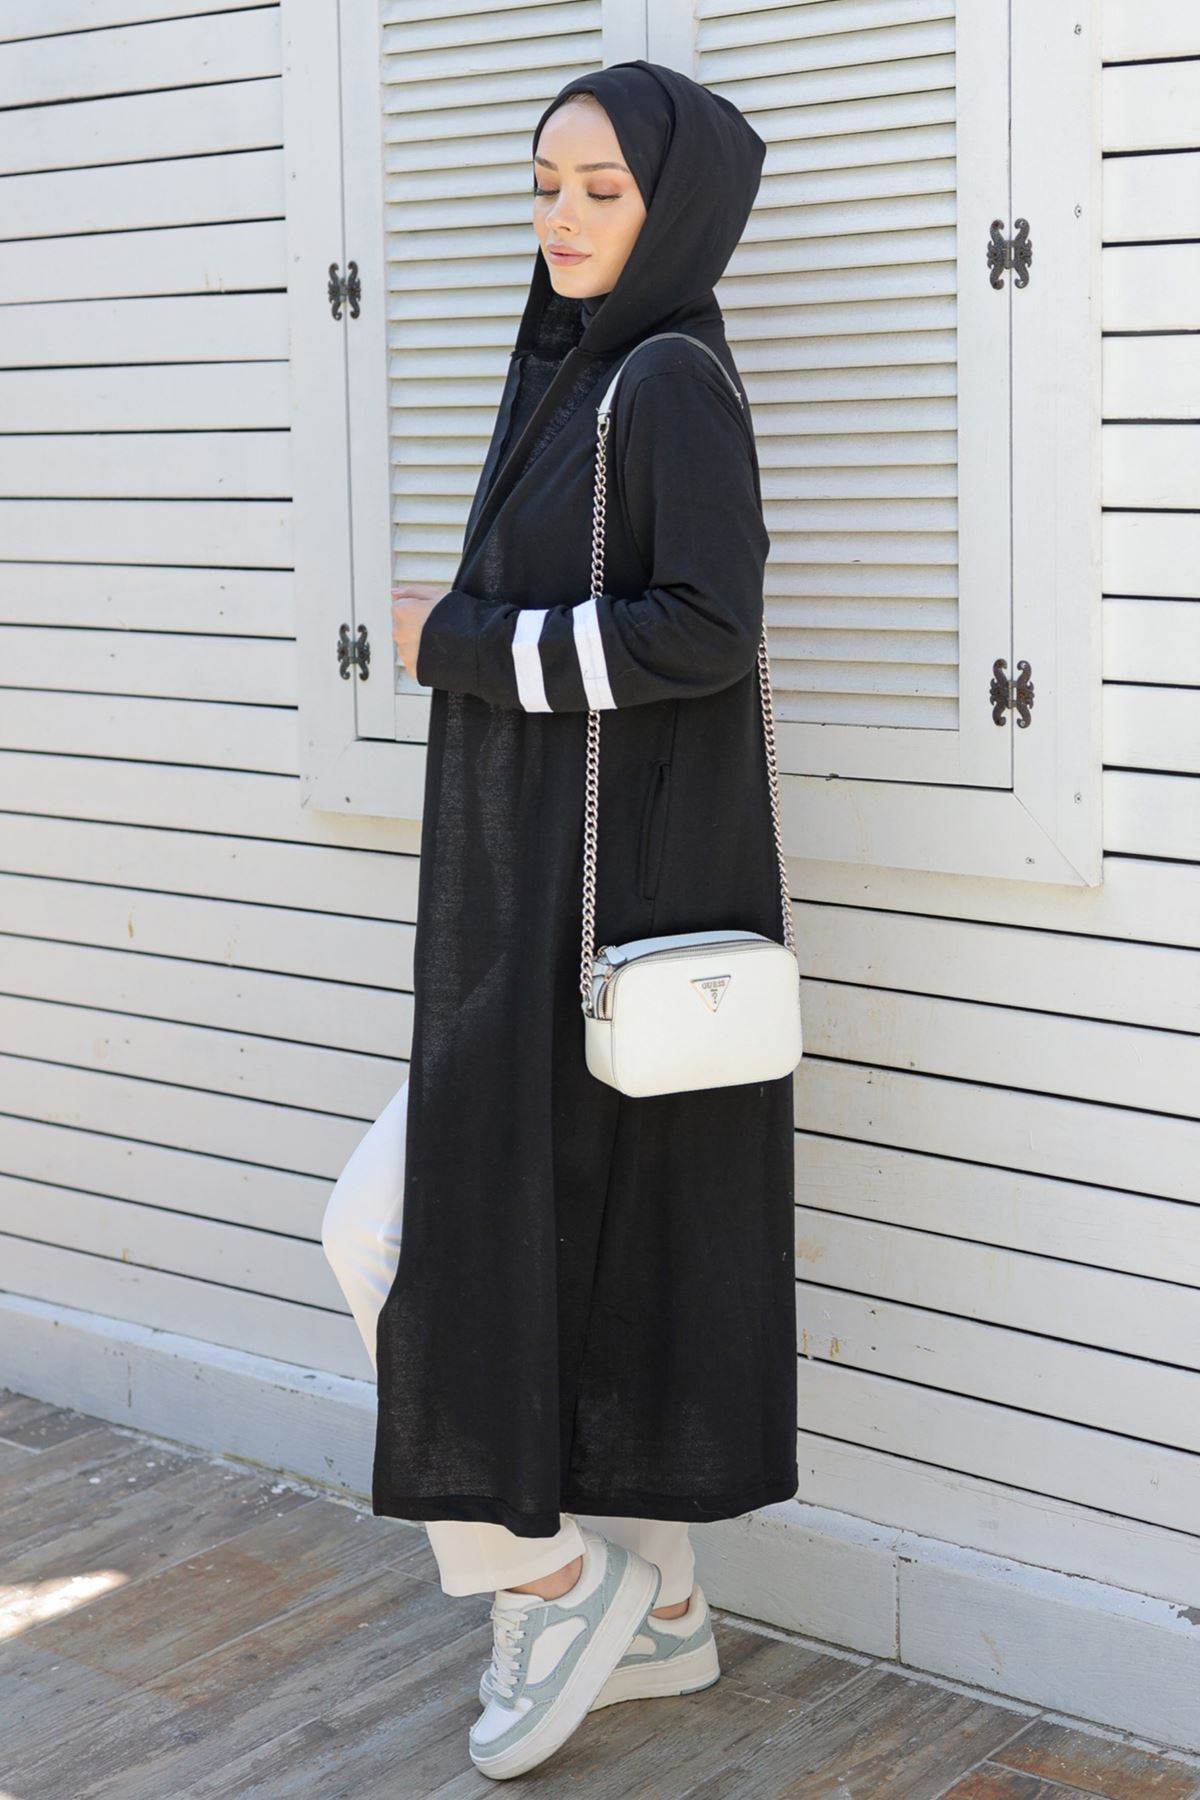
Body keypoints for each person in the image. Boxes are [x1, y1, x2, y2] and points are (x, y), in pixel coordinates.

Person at [322, 60, 798, 1780]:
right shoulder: (576, 372)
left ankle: (549, 1577)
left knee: (381, 1236)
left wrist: (464, 642)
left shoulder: (664, 380)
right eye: (545, 186)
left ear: (676, 208)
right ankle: (661, 1613)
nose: (563, 218)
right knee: (587, 1268)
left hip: (599, 923)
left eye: (603, 190)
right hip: (560, 917)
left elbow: (708, 627)